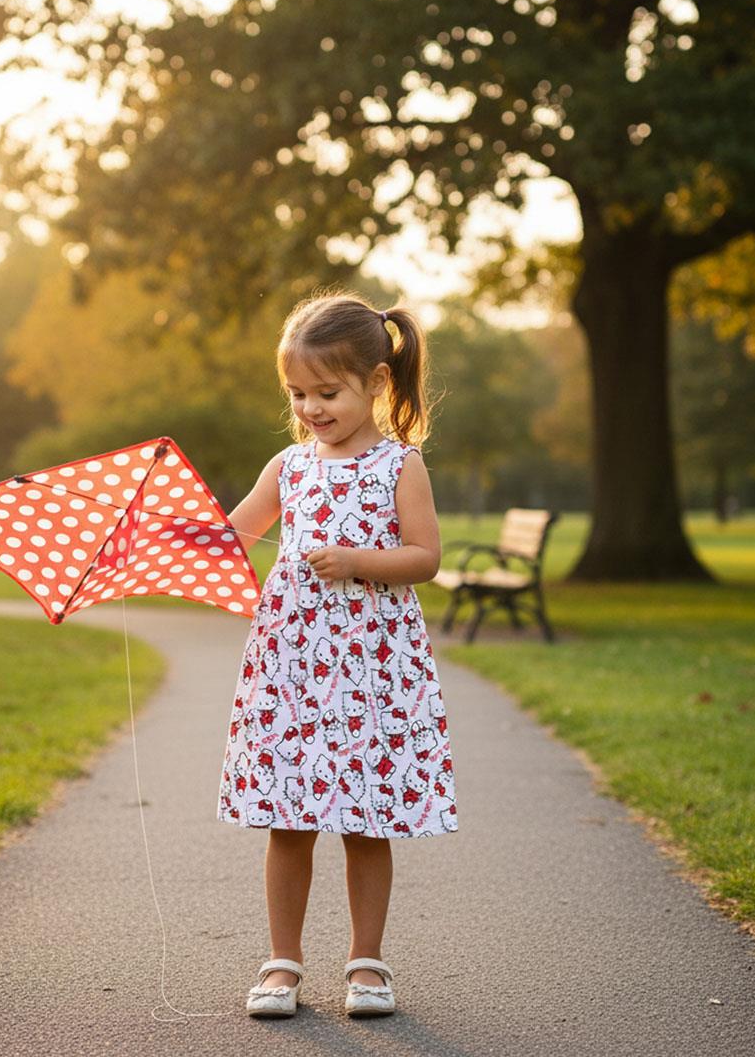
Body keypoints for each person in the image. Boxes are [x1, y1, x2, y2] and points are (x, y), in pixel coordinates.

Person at [217, 292, 457, 1019]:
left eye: (328, 392)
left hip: (370, 665)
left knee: (364, 819)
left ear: (377, 384)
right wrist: (170, 532)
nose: (311, 408)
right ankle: (282, 963)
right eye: (297, 393)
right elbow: (235, 532)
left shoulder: (397, 465)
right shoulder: (289, 466)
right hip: (292, 663)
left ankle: (367, 965)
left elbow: (425, 559)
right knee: (287, 818)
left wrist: (357, 558)